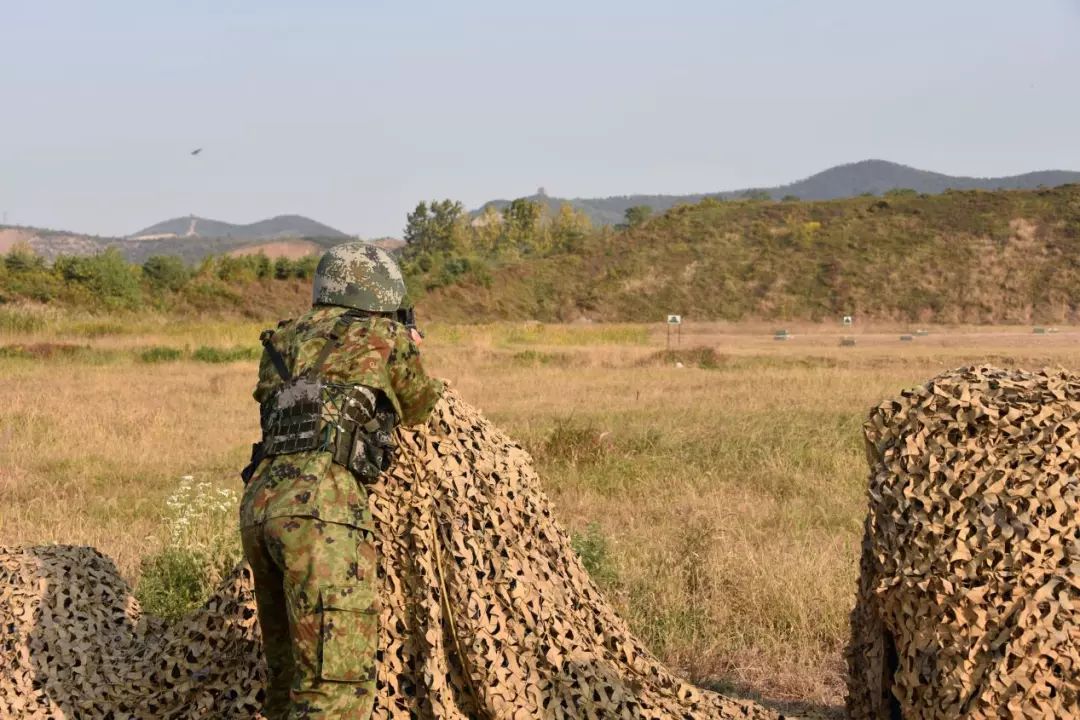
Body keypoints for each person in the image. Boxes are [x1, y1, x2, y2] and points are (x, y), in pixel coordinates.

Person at [238, 242, 443, 720]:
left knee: (288, 679)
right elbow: (419, 408)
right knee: (335, 686)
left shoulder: (282, 340)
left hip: (259, 505)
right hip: (321, 515)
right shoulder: (382, 334)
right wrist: (409, 346)